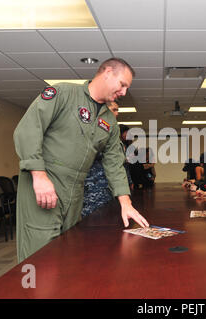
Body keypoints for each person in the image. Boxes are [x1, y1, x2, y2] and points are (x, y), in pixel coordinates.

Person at [13, 57, 149, 263]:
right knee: (39, 253)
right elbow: (28, 130)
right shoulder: (64, 94)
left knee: (68, 249)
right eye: (122, 85)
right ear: (108, 73)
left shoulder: (109, 120)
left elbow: (114, 162)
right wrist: (39, 175)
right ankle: (31, 293)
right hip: (45, 181)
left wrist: (125, 202)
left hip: (76, 189)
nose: (124, 93)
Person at [81, 101, 120, 218]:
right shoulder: (92, 128)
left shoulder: (110, 129)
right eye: (114, 110)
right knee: (92, 221)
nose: (117, 113)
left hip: (106, 185)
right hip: (92, 184)